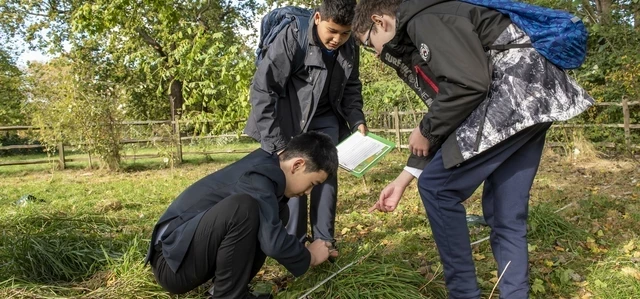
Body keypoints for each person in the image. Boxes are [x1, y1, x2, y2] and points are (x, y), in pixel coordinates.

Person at [352, 0, 594, 298]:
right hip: (537, 97)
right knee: (505, 212)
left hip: (514, 93)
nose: (376, 54)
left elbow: (467, 85)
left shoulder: (422, 19)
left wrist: (425, 128)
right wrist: (403, 178)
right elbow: (454, 109)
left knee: (438, 188)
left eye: (368, 44)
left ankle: (463, 293)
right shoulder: (433, 17)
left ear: (379, 21)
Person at [144, 132, 340, 298]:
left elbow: (271, 233)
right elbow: (273, 242)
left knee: (276, 212)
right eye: (313, 184)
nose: (308, 192)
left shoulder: (269, 170)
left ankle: (226, 291)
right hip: (172, 264)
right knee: (243, 208)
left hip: (187, 254)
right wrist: (310, 256)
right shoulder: (258, 177)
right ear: (297, 165)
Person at [244, 0, 367, 248]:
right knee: (295, 177)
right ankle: (296, 244)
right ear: (318, 18)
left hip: (326, 116)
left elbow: (352, 86)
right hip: (289, 117)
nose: (337, 39)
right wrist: (278, 144)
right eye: (332, 31)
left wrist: (357, 120)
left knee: (326, 173)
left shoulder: (350, 45)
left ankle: (323, 240)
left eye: (344, 33)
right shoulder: (292, 35)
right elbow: (263, 90)